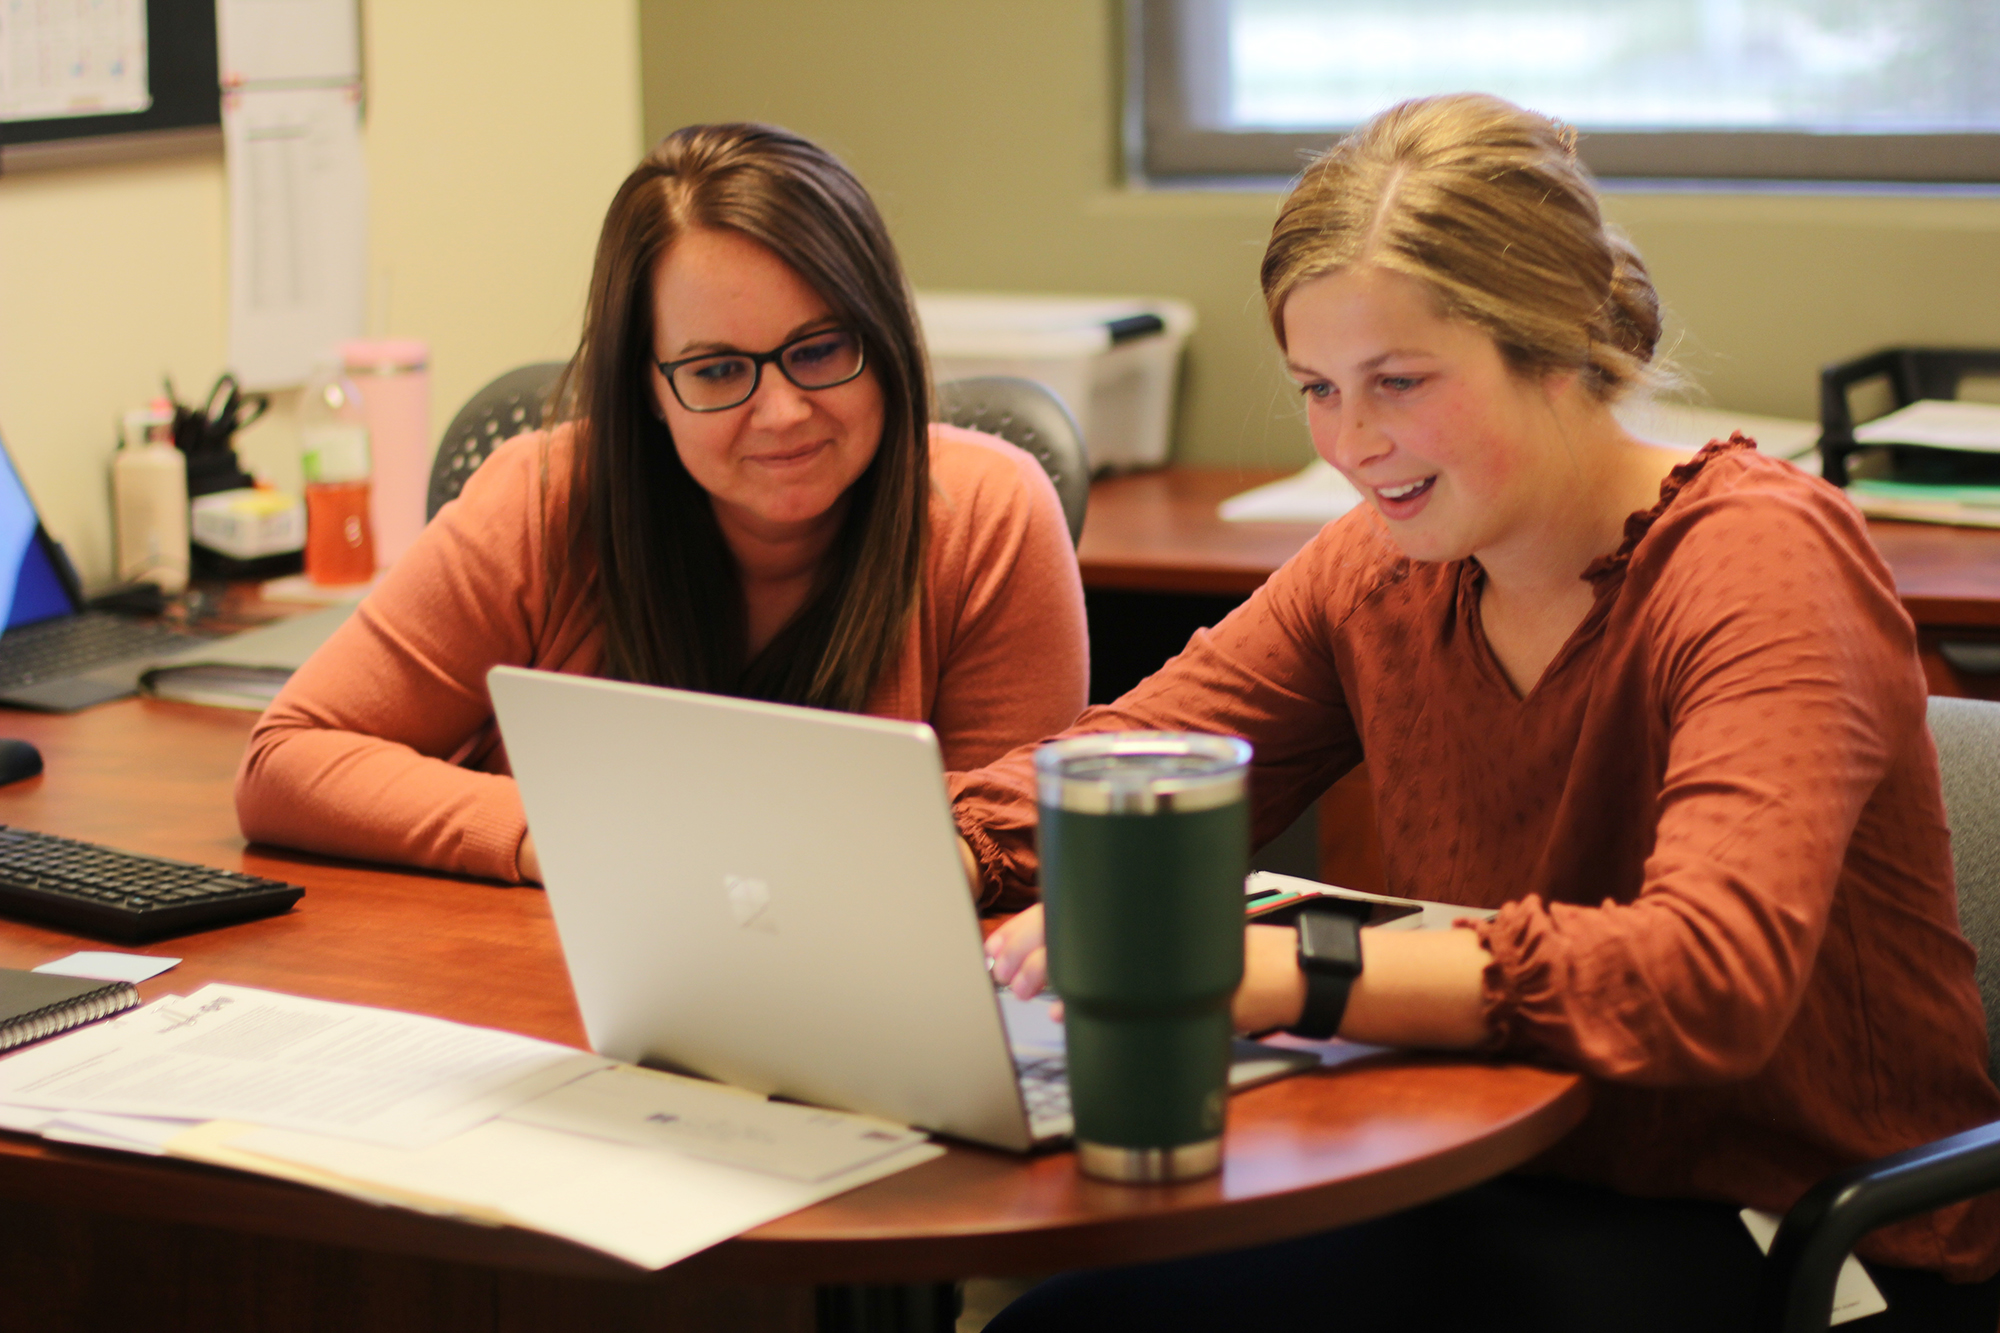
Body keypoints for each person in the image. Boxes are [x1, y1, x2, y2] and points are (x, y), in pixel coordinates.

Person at [959, 94, 2000, 1331]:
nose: (1351, 442)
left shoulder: (1755, 559)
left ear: (1558, 345)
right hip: (1502, 1171)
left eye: (1396, 381)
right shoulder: (1380, 567)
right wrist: (920, 853)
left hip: (1799, 1237)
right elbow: (1133, 759)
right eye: (1316, 388)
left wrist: (1290, 972)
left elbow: (1699, 980)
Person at [236, 123, 1087, 886]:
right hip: (543, 994)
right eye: (717, 370)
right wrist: (554, 836)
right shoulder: (540, 501)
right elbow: (286, 759)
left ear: (884, 338)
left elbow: (1007, 863)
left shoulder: (988, 516)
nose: (784, 410)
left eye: (820, 350)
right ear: (647, 387)